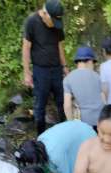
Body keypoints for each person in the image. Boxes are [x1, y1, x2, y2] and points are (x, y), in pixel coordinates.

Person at [22, 0, 68, 135]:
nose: (54, 24)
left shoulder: (57, 23)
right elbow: (26, 47)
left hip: (57, 69)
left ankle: (65, 133)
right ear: (45, 14)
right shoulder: (32, 21)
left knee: (62, 102)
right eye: (52, 20)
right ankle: (40, 137)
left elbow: (60, 46)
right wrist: (27, 73)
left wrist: (65, 66)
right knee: (40, 106)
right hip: (40, 70)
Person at [17, 120, 96, 173]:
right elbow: (53, 162)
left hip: (87, 136)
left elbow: (67, 172)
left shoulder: (55, 155)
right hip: (78, 127)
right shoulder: (40, 141)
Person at [63, 45, 104, 129]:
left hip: (82, 123)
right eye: (93, 63)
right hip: (101, 121)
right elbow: (104, 100)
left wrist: (71, 123)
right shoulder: (97, 76)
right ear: (90, 61)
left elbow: (67, 105)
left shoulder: (68, 79)